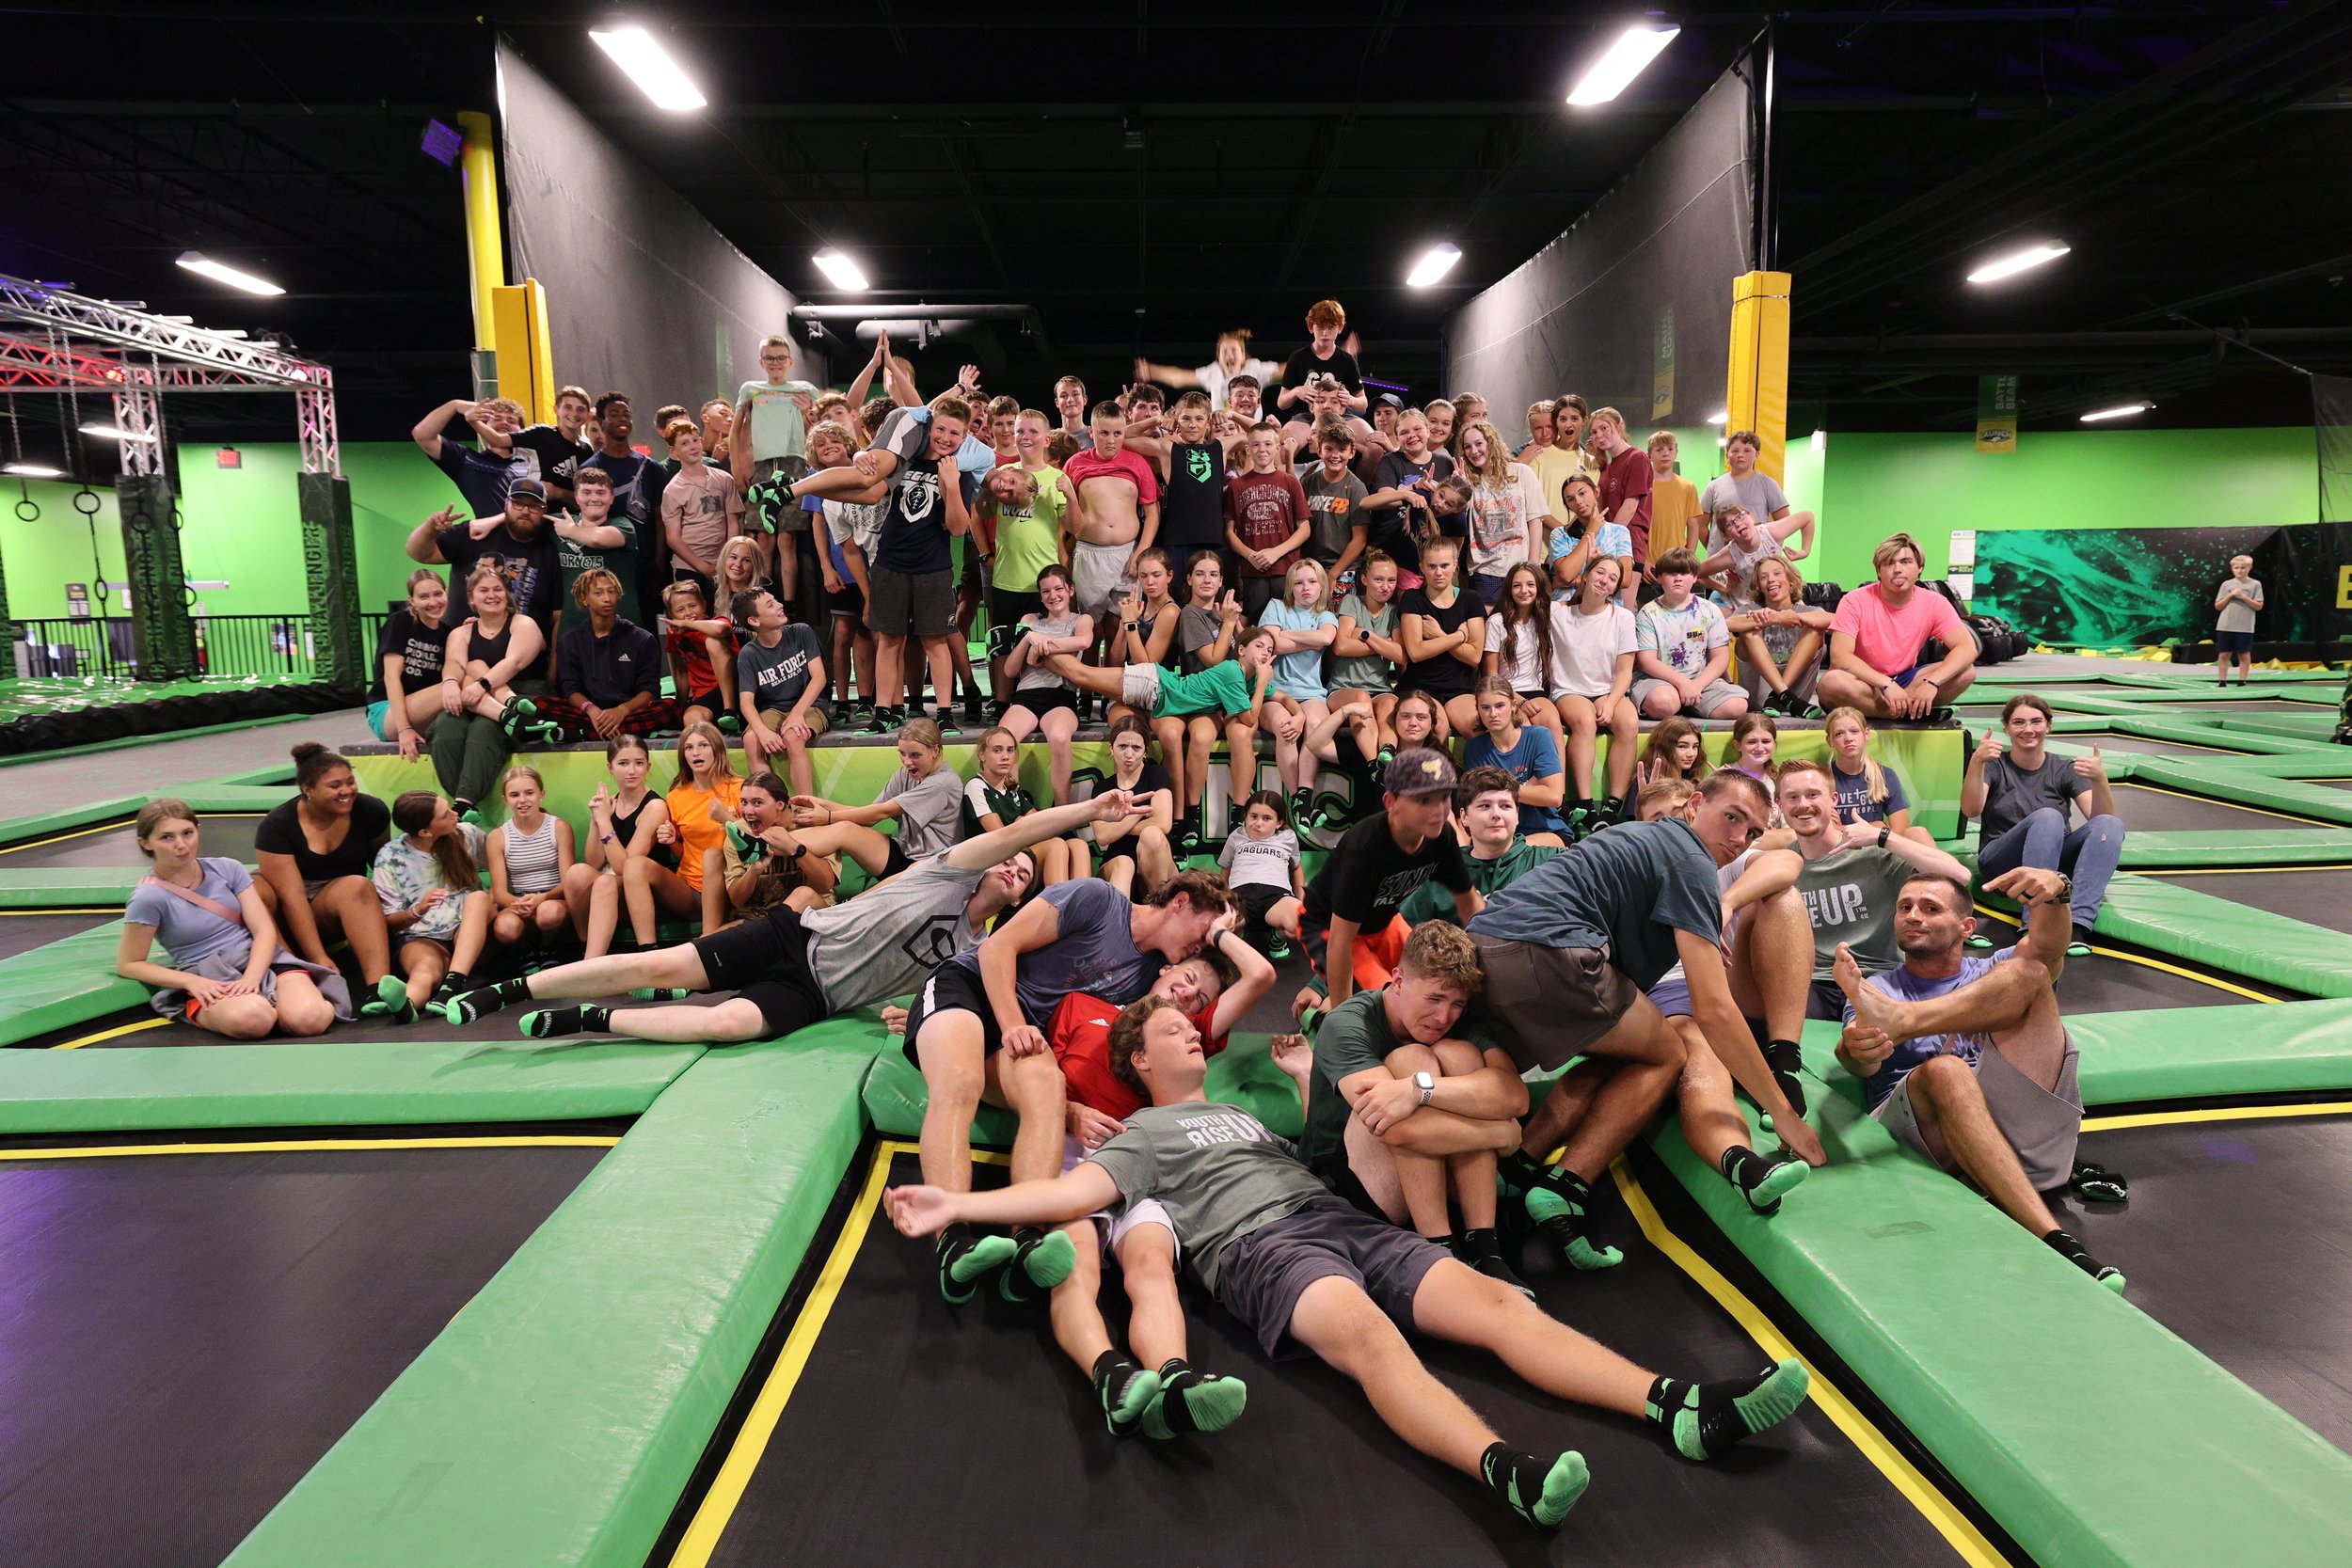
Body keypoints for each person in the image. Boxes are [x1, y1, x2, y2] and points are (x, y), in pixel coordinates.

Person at [884, 990, 1813, 1532]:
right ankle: (1504, 1470)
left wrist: (1298, 1078)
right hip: (1259, 1251)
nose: (1190, 1029)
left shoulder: (1249, 1113)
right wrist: (959, 1201)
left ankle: (1680, 1405)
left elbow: (1314, 1144)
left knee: (1499, 1307)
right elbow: (1069, 1197)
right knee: (1370, 1338)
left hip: (1334, 1217)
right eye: (1172, 1027)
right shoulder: (1141, 1133)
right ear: (1139, 1056)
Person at [1467, 773, 1823, 1270]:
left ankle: (1520, 1166)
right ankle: (1568, 1184)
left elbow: (1789, 857)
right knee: (1670, 1054)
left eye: (1752, 831)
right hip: (1553, 956)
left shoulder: (1630, 839)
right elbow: (1716, 1011)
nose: (1739, 838)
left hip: (1483, 952)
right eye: (1732, 818)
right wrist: (1781, 1111)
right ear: (1694, 805)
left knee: (1631, 1050)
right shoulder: (1693, 862)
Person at [441, 790, 1144, 1040]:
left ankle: (592, 1018)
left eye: (1024, 876)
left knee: (723, 1024)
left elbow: (927, 997)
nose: (1018, 867)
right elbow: (1029, 830)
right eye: (1013, 861)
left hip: (817, 994)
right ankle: (508, 990)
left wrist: (907, 1014)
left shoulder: (976, 945)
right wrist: (1090, 811)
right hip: (793, 934)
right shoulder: (948, 867)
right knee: (665, 965)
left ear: (1018, 898)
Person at [901, 870, 1233, 1304]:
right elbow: (998, 947)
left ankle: (1027, 1242)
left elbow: (1252, 981)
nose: (1203, 944)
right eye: (1206, 930)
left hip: (1027, 1032)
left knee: (1048, 1086)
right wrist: (1012, 1025)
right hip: (970, 990)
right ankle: (951, 1242)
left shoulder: (1157, 979)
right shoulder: (1098, 900)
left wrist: (1226, 936)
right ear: (1181, 902)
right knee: (961, 1082)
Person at [1833, 867, 2124, 1291]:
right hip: (1927, 1144)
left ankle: (1908, 1023)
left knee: (2032, 972)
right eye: (1905, 908)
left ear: (1966, 927)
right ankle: (2056, 1238)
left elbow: (2046, 946)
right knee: (1947, 1071)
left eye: (1930, 908)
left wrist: (2058, 892)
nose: (1913, 915)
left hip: (2013, 1132)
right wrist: (1855, 1051)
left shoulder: (1993, 970)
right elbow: (1856, 1060)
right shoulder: (1877, 988)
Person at [1301, 921, 1533, 1292]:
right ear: (1398, 980)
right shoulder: (1347, 1023)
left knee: (1460, 1054)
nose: (1444, 1017)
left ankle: (1484, 1248)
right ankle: (1438, 1250)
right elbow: (1397, 1129)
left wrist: (1419, 1090)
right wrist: (1500, 1132)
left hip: (1427, 1166)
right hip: (1343, 1181)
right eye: (1435, 999)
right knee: (1412, 1058)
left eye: (1457, 1004)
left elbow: (1514, 1096)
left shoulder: (1456, 1025)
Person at [794, 394, 978, 734]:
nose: (946, 439)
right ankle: (884, 712)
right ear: (928, 428)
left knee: (935, 641)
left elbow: (957, 528)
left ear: (964, 438)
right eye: (941, 430)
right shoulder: (901, 461)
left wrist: (951, 485)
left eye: (955, 434)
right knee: (889, 640)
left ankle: (943, 713)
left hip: (933, 568)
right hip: (889, 563)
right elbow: (866, 487)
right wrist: (862, 455)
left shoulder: (960, 474)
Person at [119, 799, 347, 1037]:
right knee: (253, 1019)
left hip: (261, 960)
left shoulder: (227, 869)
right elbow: (129, 963)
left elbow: (264, 931)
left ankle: (296, 1003)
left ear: (198, 830)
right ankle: (263, 1006)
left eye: (187, 833)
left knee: (309, 1020)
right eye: (167, 837)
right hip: (208, 975)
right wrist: (190, 982)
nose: (181, 845)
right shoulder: (149, 897)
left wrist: (252, 977)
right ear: (145, 843)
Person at [1776, 757, 1975, 1022]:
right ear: (1779, 805)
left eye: (1813, 794)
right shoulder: (1783, 864)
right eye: (1792, 797)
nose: (1803, 805)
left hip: (1877, 976)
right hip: (1813, 983)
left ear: (1833, 799)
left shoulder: (1873, 855)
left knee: (1874, 1041)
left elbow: (1960, 876)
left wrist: (1883, 837)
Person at [1036, 623, 1281, 821]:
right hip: (1153, 684)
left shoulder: (1247, 678)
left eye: (1269, 651)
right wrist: (1261, 683)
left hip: (1155, 695)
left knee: (1083, 675)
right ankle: (1040, 644)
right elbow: (1249, 718)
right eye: (1259, 646)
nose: (1264, 653)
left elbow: (1280, 697)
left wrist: (1298, 713)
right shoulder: (1234, 673)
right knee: (1082, 675)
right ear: (1240, 650)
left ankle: (1042, 654)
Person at [1297, 749, 1482, 1011]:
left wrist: (1487, 959)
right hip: (1326, 926)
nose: (1439, 810)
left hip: (1383, 920)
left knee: (1437, 983)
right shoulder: (1364, 849)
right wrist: (1342, 1018)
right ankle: (1323, 1023)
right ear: (1390, 801)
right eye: (1424, 800)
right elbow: (1340, 942)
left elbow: (1469, 904)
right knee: (1393, 1004)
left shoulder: (1442, 837)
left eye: (1444, 798)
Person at [1963, 694, 2122, 956]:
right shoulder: (1994, 765)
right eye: (2019, 722)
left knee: (2110, 825)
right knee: (2048, 816)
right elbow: (1971, 809)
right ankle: (2034, 922)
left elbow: (2103, 821)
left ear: (2048, 725)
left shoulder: (2063, 768)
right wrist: (1976, 762)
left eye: (2036, 721)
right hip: (2001, 860)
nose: (2028, 729)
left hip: (2053, 865)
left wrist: (2100, 780)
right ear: (2007, 727)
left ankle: (2078, 924)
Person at [254, 744, 394, 1003]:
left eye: (351, 782)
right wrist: (317, 956)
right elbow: (292, 896)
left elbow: (385, 867)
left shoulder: (371, 811)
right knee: (251, 890)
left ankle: (379, 989)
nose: (347, 791)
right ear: (308, 790)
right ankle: (288, 968)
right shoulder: (277, 826)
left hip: (334, 906)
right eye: (335, 786)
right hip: (285, 914)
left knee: (358, 886)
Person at [433, 562, 558, 816]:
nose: (492, 595)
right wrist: (449, 684)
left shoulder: (522, 623)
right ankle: (461, 800)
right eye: (484, 590)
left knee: (484, 728)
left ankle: (465, 801)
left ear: (507, 593)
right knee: (446, 725)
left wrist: (481, 684)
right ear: (471, 599)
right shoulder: (461, 632)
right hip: (475, 697)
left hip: (520, 692)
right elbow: (454, 663)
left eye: (498, 589)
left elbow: (514, 663)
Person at [1816, 533, 1979, 721]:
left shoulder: (1934, 602)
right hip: (1862, 682)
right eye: (1888, 563)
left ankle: (1896, 708)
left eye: (1906, 562)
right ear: (1878, 571)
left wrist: (1933, 682)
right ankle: (1907, 711)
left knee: (1967, 672)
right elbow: (1841, 656)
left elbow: (1967, 648)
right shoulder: (1855, 600)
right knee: (1831, 683)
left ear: (1920, 568)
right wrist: (1886, 685)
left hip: (1906, 680)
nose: (1897, 569)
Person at [405, 478, 564, 671]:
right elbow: (418, 552)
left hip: (523, 668)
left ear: (544, 510)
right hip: (461, 661)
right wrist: (430, 527)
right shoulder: (475, 533)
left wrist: (554, 667)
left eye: (534, 506)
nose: (525, 511)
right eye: (519, 503)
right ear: (506, 504)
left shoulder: (549, 551)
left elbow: (557, 618)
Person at [370, 790, 496, 1023]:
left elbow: (501, 866)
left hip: (470, 931)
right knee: (424, 970)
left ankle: (451, 987)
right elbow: (389, 920)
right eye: (444, 814)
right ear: (425, 832)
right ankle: (405, 1006)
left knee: (478, 898)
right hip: (423, 938)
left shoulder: (467, 835)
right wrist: (417, 910)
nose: (453, 814)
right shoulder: (390, 858)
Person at [791, 716, 965, 882]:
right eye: (902, 753)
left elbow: (882, 812)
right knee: (845, 829)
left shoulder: (942, 782)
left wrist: (828, 817)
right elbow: (870, 813)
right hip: (905, 853)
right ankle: (774, 844)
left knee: (844, 829)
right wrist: (823, 803)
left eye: (915, 755)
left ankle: (785, 845)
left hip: (933, 865)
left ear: (935, 750)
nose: (906, 762)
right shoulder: (907, 773)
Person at [1398, 768, 1564, 929]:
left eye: (1505, 806)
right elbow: (1402, 931)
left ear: (1517, 815)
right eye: (1484, 806)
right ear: (1464, 816)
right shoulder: (1439, 875)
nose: (1496, 814)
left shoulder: (1549, 862)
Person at [1060, 402, 1164, 653]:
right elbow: (1063, 518)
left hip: (1127, 555)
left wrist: (1140, 554)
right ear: (1092, 432)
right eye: (1104, 433)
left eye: (1118, 433)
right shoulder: (1075, 464)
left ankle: (1114, 691)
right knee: (1089, 626)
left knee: (1120, 625)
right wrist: (1063, 555)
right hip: (1089, 554)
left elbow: (1152, 515)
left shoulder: (1137, 463)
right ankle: (1086, 690)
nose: (1111, 440)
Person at [1546, 554, 1640, 829]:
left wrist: (1611, 702)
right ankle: (1586, 805)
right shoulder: (1557, 612)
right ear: (1586, 575)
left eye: (1613, 578)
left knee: (1628, 721)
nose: (1605, 581)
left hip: (1608, 690)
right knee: (1585, 721)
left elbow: (1625, 671)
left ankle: (1613, 804)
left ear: (1615, 588)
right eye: (1600, 573)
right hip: (1569, 689)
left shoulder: (1622, 617)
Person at [558, 734, 668, 958]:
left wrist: (605, 821)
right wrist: (595, 819)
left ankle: (591, 963)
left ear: (648, 766)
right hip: (615, 887)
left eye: (639, 763)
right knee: (577, 873)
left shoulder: (655, 806)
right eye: (623, 763)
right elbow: (594, 861)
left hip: (648, 892)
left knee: (605, 883)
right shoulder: (611, 803)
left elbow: (624, 868)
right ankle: (585, 940)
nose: (632, 771)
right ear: (610, 768)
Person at [731, 334, 821, 606]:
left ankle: (790, 604)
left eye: (781, 358)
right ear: (761, 361)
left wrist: (810, 413)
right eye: (769, 358)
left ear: (790, 361)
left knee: (786, 538)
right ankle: (762, 599)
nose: (775, 363)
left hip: (794, 463)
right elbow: (736, 429)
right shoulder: (751, 388)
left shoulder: (804, 389)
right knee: (764, 538)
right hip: (762, 465)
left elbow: (819, 429)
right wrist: (738, 466)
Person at [1000, 564, 1093, 808]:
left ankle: (1063, 811)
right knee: (1003, 740)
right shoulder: (1030, 621)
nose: (1053, 596)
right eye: (1046, 592)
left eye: (1059, 589)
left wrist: (1041, 646)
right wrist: (1029, 639)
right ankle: (1015, 807)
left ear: (1071, 590)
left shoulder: (1081, 619)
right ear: (1040, 596)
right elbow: (1010, 670)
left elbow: (1084, 641)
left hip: (1060, 696)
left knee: (1060, 737)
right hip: (1026, 696)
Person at [548, 568, 674, 742]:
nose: (607, 598)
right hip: (589, 713)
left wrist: (622, 711)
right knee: (544, 704)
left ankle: (584, 734)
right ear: (584, 599)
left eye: (611, 591)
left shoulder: (642, 639)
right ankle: (618, 731)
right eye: (598, 593)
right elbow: (570, 688)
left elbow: (650, 690)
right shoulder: (570, 640)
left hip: (629, 711)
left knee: (667, 708)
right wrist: (592, 710)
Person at [1260, 559, 1340, 825]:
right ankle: (1297, 800)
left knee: (1316, 727)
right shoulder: (1276, 606)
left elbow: (1326, 639)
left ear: (1321, 587)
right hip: (1276, 691)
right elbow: (1272, 645)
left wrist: (1288, 634)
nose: (1306, 588)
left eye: (1312, 582)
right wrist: (1309, 639)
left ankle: (1303, 796)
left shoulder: (1326, 615)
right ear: (1291, 587)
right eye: (1299, 582)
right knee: (1286, 727)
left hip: (1311, 692)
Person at [580, 392, 673, 622]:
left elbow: (661, 521)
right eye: (614, 414)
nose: (622, 419)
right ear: (601, 422)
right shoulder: (590, 470)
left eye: (627, 415)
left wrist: (659, 566)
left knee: (645, 634)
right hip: (606, 568)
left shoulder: (651, 468)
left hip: (644, 567)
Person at [732, 587, 831, 799]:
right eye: (770, 605)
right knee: (751, 740)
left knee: (793, 736)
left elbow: (819, 678)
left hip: (810, 705)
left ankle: (806, 807)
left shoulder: (801, 632)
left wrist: (797, 713)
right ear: (754, 621)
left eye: (775, 600)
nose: (779, 605)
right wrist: (762, 731)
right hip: (774, 710)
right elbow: (746, 702)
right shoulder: (748, 654)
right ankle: (767, 805)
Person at [1631, 548, 1748, 721]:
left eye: (1684, 573)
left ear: (1694, 577)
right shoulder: (1648, 613)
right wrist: (1682, 683)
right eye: (1671, 573)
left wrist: (1696, 686)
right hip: (1658, 681)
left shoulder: (1710, 610)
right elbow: (1646, 661)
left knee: (1737, 706)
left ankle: (1691, 703)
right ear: (1660, 577)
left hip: (1701, 680)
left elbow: (1721, 658)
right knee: (1663, 704)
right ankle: (1681, 703)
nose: (1678, 578)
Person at [963, 725, 1088, 887]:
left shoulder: (1011, 787)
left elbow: (1040, 825)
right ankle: (1058, 909)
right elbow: (1001, 837)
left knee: (1078, 845)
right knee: (1055, 845)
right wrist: (1022, 824)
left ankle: (1084, 904)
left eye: (1010, 750)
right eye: (997, 750)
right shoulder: (976, 786)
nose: (1005, 757)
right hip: (993, 860)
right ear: (982, 754)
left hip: (1017, 850)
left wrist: (1023, 824)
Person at [715, 769, 838, 921]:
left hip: (810, 916)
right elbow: (737, 899)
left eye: (757, 803)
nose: (747, 811)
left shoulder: (813, 821)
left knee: (803, 894)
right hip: (757, 919)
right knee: (710, 942)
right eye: (744, 802)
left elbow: (826, 883)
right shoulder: (740, 832)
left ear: (780, 804)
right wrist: (754, 871)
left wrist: (794, 848)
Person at [1462, 676, 1567, 844]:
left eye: (1499, 706)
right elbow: (1480, 800)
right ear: (1478, 710)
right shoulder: (1475, 748)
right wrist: (1528, 787)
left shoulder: (1538, 737)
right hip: (1499, 835)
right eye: (1485, 708)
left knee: (1514, 854)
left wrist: (1500, 789)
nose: (1493, 714)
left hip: (1547, 830)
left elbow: (1554, 796)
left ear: (1513, 706)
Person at [1223, 420, 1311, 622]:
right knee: (1257, 622)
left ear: (1277, 447)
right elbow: (1229, 532)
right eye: (1255, 444)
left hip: (1286, 568)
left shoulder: (1290, 482)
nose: (1262, 449)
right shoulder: (1237, 486)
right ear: (1248, 449)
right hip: (1252, 569)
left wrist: (1276, 552)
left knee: (1289, 621)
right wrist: (1250, 555)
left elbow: (1304, 528)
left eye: (1268, 444)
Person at [1359, 409, 1459, 584]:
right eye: (1404, 432)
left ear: (1428, 430)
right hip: (1390, 549)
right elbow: (1384, 497)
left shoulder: (1446, 464)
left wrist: (1462, 487)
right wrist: (1412, 489)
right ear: (1397, 438)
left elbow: (1457, 514)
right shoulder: (1390, 461)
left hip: (1429, 555)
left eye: (1417, 429)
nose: (1412, 436)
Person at [1399, 536, 1485, 738]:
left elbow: (1474, 657)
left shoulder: (1470, 600)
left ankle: (1480, 772)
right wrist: (1458, 636)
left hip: (1461, 689)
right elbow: (1416, 652)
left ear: (1455, 564)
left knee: (1479, 729)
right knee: (1437, 727)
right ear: (1422, 567)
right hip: (1421, 686)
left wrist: (1438, 635)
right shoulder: (1413, 598)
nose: (1438, 573)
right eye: (1432, 566)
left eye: (1445, 565)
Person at [1453, 421, 1545, 608]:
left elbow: (1535, 520)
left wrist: (1533, 566)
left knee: (1520, 626)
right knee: (1489, 630)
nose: (1474, 451)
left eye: (1479, 444)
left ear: (1491, 442)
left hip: (1519, 567)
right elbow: (1458, 515)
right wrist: (1459, 487)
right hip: (1484, 571)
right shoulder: (1468, 481)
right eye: (1467, 447)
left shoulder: (1521, 472)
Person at [1726, 556, 1832, 717]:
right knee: (1748, 630)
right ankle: (1784, 695)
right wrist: (1775, 618)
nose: (1770, 580)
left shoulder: (1808, 611)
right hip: (1758, 698)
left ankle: (1780, 696)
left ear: (1791, 581)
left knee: (1815, 629)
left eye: (1777, 574)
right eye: (1764, 577)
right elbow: (1728, 623)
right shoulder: (1750, 609)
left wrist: (1796, 618)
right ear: (1760, 587)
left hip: (1798, 695)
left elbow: (1835, 620)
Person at [486, 764, 576, 952]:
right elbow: (500, 892)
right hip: (518, 901)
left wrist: (542, 898)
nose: (522, 800)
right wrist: (520, 905)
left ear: (541, 794)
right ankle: (525, 951)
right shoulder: (497, 837)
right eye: (514, 795)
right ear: (505, 799)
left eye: (529, 793)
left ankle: (549, 948)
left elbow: (568, 881)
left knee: (549, 914)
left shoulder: (559, 828)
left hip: (552, 898)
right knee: (505, 928)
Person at [1480, 562, 1566, 752]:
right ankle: (1520, 781)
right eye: (1517, 585)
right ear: (1509, 589)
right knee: (1522, 726)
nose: (1523, 590)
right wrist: (1517, 701)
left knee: (1553, 724)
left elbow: (1579, 601)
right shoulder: (1496, 622)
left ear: (1539, 588)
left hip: (1535, 691)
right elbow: (1491, 675)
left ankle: (1557, 781)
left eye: (1530, 585)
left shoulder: (1546, 615)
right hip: (1504, 692)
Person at [659, 418, 743, 608]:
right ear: (673, 451)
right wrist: (703, 567)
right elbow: (673, 537)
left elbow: (732, 521)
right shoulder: (673, 490)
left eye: (695, 440)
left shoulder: (724, 479)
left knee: (724, 615)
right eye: (684, 443)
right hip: (689, 566)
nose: (692, 446)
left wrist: (728, 559)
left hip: (723, 563)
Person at [1090, 715, 1178, 897]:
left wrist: (1119, 823)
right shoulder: (1103, 788)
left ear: (1145, 751)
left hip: (1157, 863)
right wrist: (1139, 813)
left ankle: (1157, 909)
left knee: (1152, 834)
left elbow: (1163, 824)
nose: (1129, 754)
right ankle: (1119, 919)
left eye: (1136, 748)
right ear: (1111, 748)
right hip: (1117, 863)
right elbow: (1103, 836)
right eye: (1122, 746)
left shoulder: (1156, 774)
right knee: (1124, 862)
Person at [370, 567, 449, 761]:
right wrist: (403, 728)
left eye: (438, 594)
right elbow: (391, 677)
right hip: (389, 712)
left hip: (425, 712)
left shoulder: (448, 632)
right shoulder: (400, 622)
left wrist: (470, 631)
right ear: (412, 600)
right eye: (424, 597)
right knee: (463, 682)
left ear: (446, 593)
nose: (433, 602)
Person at [1824, 706, 1933, 845]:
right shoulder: (1821, 779)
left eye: (1854, 731)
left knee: (1918, 833)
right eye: (1839, 734)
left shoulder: (1884, 775)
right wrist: (1876, 826)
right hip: (1840, 846)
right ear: (1830, 741)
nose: (1848, 738)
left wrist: (1841, 828)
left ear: (1866, 734)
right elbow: (1819, 831)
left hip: (1876, 845)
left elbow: (1901, 829)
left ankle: (1944, 867)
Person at [1274, 299, 1368, 456]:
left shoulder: (1346, 360)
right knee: (1282, 451)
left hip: (1341, 415)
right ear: (1311, 327)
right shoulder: (1298, 358)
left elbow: (1363, 403)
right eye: (1320, 327)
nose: (1325, 333)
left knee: (1375, 448)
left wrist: (1350, 399)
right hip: (1306, 417)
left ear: (1340, 328)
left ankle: (1357, 481)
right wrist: (1296, 391)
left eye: (1331, 328)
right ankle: (1292, 481)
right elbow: (1281, 403)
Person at [411, 394, 531, 517]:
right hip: (493, 535)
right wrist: (455, 405)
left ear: (521, 430)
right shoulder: (467, 460)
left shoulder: (534, 462)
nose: (504, 423)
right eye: (497, 418)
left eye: (511, 421)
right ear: (483, 425)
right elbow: (423, 435)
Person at [1696, 430, 1812, 556]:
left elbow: (1784, 521)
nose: (1740, 455)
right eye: (1735, 451)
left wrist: (1768, 550)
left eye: (1747, 451)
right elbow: (1700, 525)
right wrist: (1714, 549)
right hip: (1723, 561)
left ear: (1757, 454)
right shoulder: (1714, 486)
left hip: (1758, 560)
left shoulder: (1767, 484)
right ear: (1727, 455)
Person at [1219, 788, 1305, 957]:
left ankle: (1277, 934)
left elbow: (1296, 868)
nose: (1258, 823)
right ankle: (1239, 931)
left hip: (1276, 897)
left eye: (1267, 819)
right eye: (1253, 816)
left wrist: (1301, 901)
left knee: (1304, 925)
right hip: (1240, 896)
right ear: (1245, 817)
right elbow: (1225, 871)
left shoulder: (1288, 837)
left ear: (1279, 822)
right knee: (1214, 929)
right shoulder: (1236, 837)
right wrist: (1221, 899)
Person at [1693, 500, 1814, 619]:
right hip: (1740, 601)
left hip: (1773, 595)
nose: (1737, 524)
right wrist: (1724, 588)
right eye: (1729, 524)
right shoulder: (1730, 555)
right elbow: (1695, 573)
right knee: (1727, 626)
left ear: (1751, 517)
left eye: (1740, 517)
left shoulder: (1773, 533)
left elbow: (1807, 517)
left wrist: (1804, 551)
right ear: (1726, 535)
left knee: (1804, 620)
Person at [1298, 421, 1371, 593]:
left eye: (1341, 450)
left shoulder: (1357, 488)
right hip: (1311, 566)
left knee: (1338, 615)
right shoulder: (1307, 483)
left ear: (1352, 452)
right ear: (1319, 451)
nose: (1335, 455)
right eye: (1329, 449)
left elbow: (1360, 538)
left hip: (1344, 569)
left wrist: (1333, 574)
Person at [1548, 474, 1635, 610]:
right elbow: (1566, 575)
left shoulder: (1619, 532)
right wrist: (1591, 532)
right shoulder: (1560, 534)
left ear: (1596, 492)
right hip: (1567, 609)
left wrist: (1578, 580)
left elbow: (1624, 580)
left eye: (1582, 493)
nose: (1578, 501)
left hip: (1606, 610)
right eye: (1570, 499)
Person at [1137, 328, 1282, 410]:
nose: (1229, 355)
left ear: (1243, 356)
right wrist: (1152, 372)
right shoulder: (1214, 372)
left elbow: (1285, 370)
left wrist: (1305, 358)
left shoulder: (1255, 369)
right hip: (1221, 434)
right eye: (1224, 352)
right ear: (1219, 358)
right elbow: (1180, 378)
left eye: (1233, 350)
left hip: (1249, 434)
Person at [1586, 407, 1655, 573]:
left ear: (1620, 426)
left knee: (1625, 600)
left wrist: (1606, 540)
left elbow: (1630, 507)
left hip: (1627, 543)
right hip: (1607, 545)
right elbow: (1601, 507)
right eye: (1594, 432)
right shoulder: (1607, 467)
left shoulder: (1637, 457)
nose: (1599, 436)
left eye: (1604, 428)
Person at [659, 578, 733, 730]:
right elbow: (679, 671)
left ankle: (731, 711)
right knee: (691, 720)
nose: (688, 613)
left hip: (734, 688)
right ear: (671, 615)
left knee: (713, 642)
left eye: (693, 606)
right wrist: (680, 704)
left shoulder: (717, 621)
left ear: (704, 605)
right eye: (680, 610)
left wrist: (686, 624)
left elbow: (720, 629)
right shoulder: (674, 634)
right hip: (705, 694)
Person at [1528, 393, 1595, 531]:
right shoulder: (1537, 456)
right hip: (1544, 548)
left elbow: (1592, 505)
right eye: (1563, 419)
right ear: (1556, 423)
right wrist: (1563, 532)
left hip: (1580, 544)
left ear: (1584, 421)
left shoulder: (1591, 462)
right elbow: (1532, 503)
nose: (1568, 424)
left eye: (1575, 418)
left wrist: (1576, 536)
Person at [1645, 431, 1700, 564]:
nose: (1665, 453)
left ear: (1676, 452)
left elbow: (1693, 526)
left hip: (1676, 563)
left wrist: (1689, 558)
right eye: (1659, 450)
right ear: (1649, 455)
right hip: (1646, 562)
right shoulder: (1641, 485)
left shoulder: (1688, 487)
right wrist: (1641, 560)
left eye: (1670, 449)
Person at [2213, 554, 2264, 685]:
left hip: (2245, 626)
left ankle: (2242, 680)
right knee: (2224, 653)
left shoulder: (2255, 584)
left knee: (2243, 653)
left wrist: (2243, 597)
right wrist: (2230, 595)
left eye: (2243, 568)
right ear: (2232, 569)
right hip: (2226, 625)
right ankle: (2222, 680)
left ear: (2249, 568)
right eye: (2236, 568)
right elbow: (2218, 606)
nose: (2239, 571)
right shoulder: (2226, 584)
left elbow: (2258, 606)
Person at [1637, 714, 1711, 790]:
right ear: (1665, 747)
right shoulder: (1646, 780)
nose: (1691, 754)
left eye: (1695, 746)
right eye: (1682, 746)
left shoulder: (1693, 780)